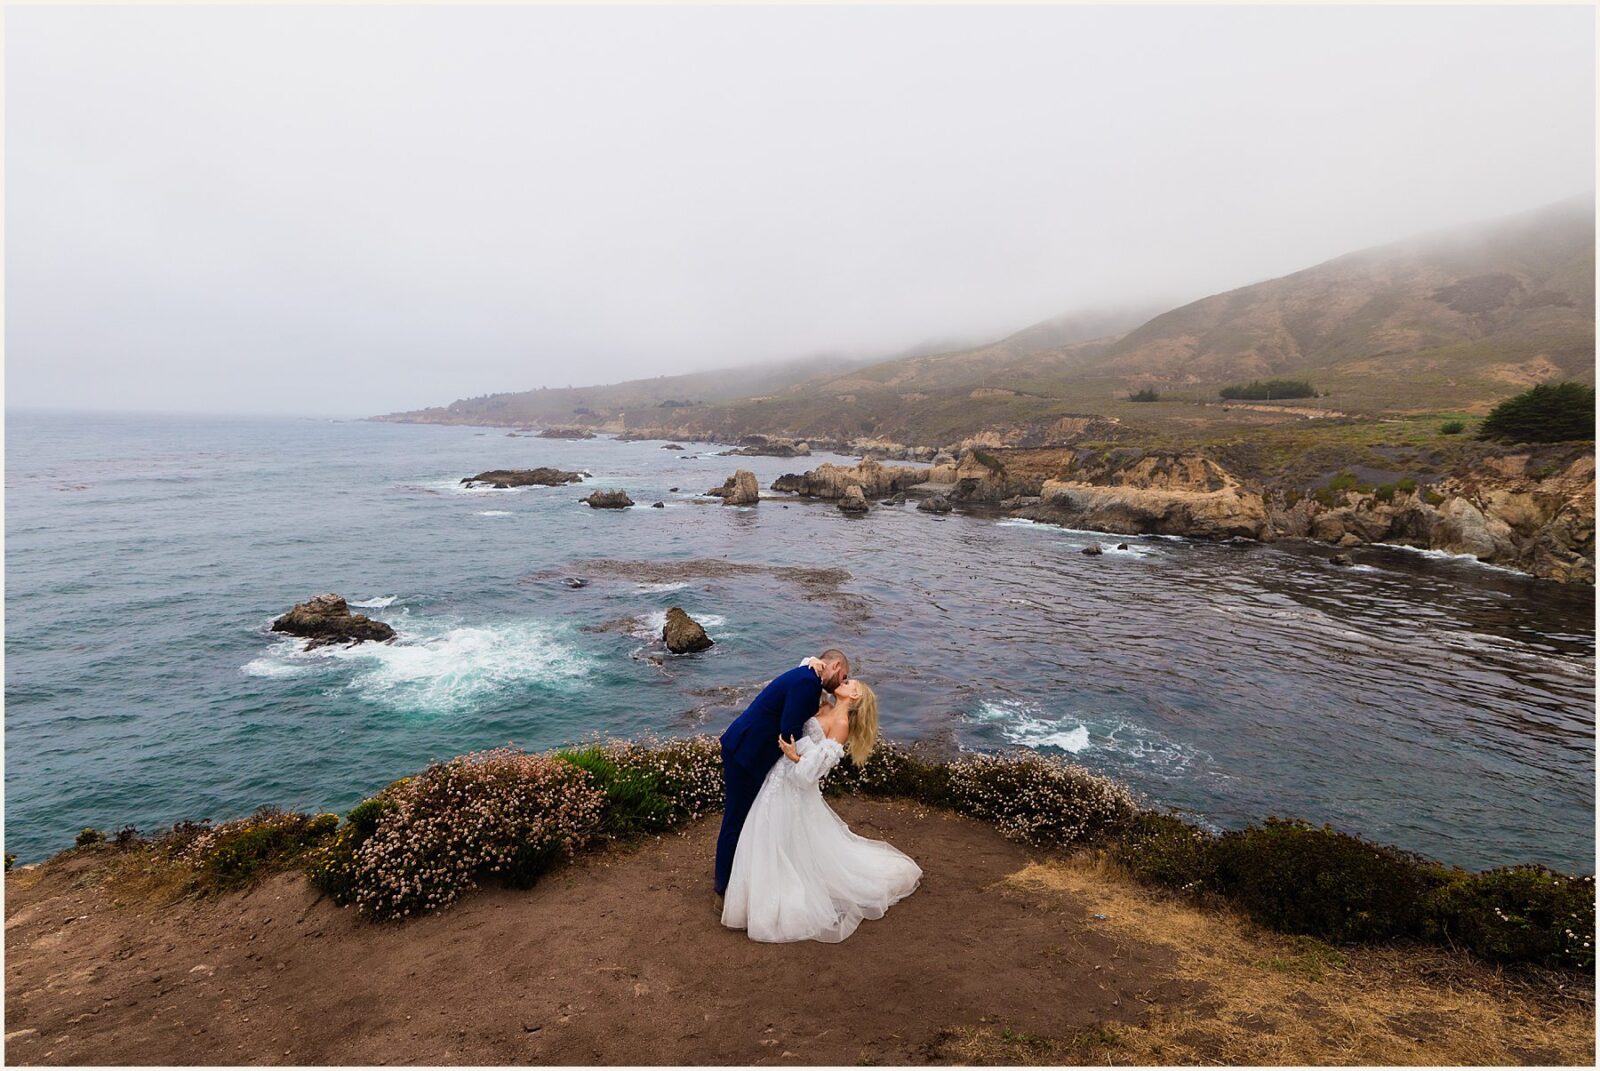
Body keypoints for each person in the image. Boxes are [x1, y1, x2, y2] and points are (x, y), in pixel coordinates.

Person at [720, 678, 922, 942]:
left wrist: (793, 756)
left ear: (855, 695)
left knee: (778, 840)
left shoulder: (841, 726)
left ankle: (773, 900)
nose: (844, 681)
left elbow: (809, 775)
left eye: (850, 682)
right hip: (777, 778)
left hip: (793, 787)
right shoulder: (823, 706)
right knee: (767, 837)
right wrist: (813, 663)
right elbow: (801, 686)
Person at [714, 649, 850, 904]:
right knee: (735, 820)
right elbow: (789, 728)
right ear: (836, 665)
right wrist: (805, 758)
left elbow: (797, 696)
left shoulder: (807, 676)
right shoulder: (808, 683)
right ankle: (722, 889)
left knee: (744, 820)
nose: (842, 683)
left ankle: (736, 881)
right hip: (746, 754)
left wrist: (810, 660)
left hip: (749, 751)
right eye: (844, 676)